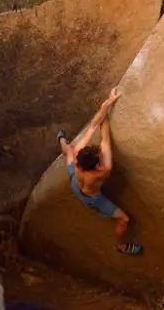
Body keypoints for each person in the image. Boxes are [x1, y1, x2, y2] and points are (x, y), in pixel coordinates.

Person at [57, 87, 143, 255]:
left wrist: (108, 102)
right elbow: (105, 139)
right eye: (100, 157)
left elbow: (93, 125)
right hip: (92, 198)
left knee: (68, 150)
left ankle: (60, 139)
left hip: (75, 179)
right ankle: (121, 246)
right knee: (124, 219)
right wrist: (107, 117)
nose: (101, 155)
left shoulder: (79, 154)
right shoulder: (103, 171)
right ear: (97, 166)